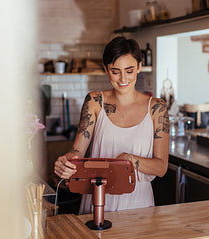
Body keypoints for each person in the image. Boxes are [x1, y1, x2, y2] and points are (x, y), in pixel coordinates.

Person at [54, 36, 170, 214]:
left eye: (129, 70)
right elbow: (77, 151)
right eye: (115, 71)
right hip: (96, 200)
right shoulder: (94, 101)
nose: (123, 78)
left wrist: (130, 160)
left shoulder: (156, 108)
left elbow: (161, 168)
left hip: (138, 205)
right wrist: (67, 161)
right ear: (106, 69)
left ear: (139, 66)